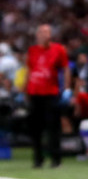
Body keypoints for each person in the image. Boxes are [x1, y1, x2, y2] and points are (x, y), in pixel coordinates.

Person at [26, 24, 71, 168]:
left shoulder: (58, 49)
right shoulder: (32, 51)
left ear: (50, 35)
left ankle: (56, 160)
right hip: (35, 93)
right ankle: (38, 160)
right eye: (42, 32)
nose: (44, 35)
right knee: (36, 129)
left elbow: (66, 69)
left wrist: (67, 88)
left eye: (47, 32)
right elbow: (29, 70)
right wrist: (25, 90)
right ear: (37, 35)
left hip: (51, 93)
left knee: (53, 128)